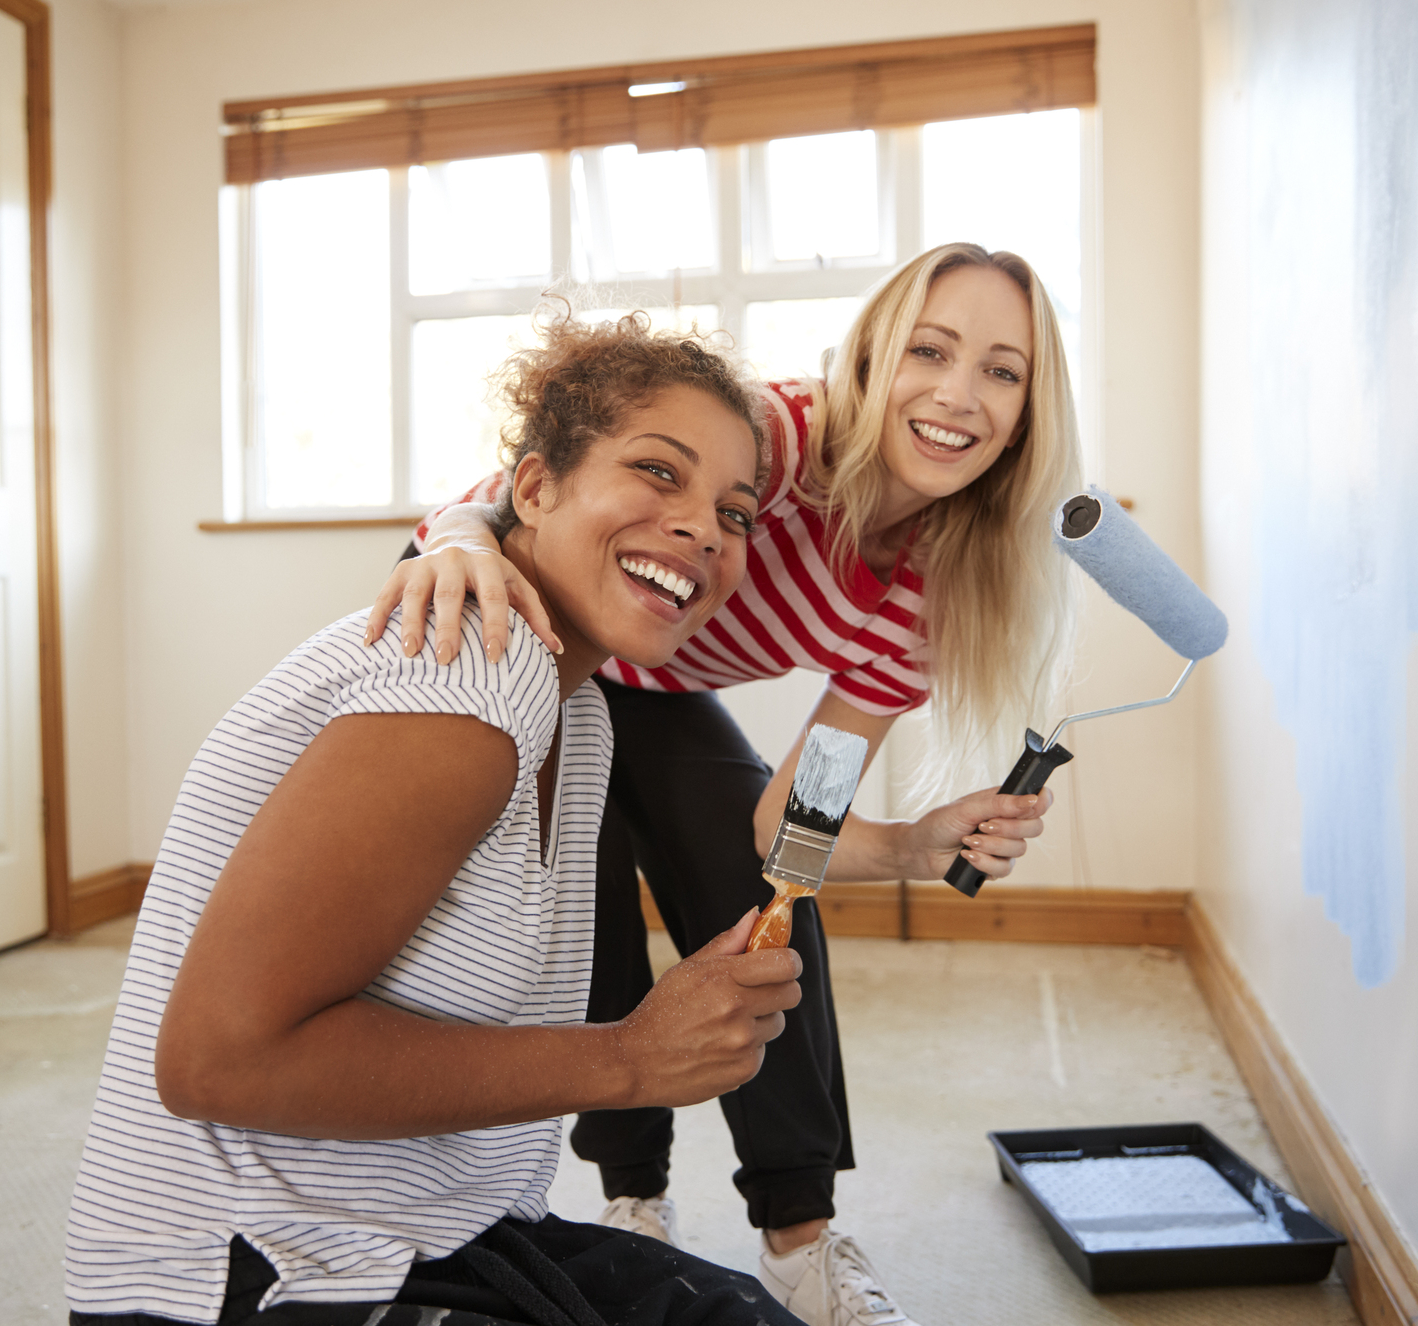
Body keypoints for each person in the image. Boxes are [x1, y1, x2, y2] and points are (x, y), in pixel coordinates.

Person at [371, 244, 1083, 1326]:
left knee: (769, 910)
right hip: (528, 629)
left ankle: (798, 1237)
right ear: (869, 355)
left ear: (1029, 412)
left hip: (648, 682)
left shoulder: (927, 595)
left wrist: (907, 845)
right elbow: (500, 497)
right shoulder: (770, 434)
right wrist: (450, 541)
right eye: (927, 351)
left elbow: (786, 832)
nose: (955, 395)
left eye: (1001, 370)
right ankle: (629, 1201)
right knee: (590, 905)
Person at [62, 312, 811, 1326]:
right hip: (249, 1271)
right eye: (657, 472)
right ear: (535, 489)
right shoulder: (466, 679)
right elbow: (215, 1060)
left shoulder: (576, 714)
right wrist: (628, 1057)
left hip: (441, 1233)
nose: (702, 531)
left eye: (735, 512)